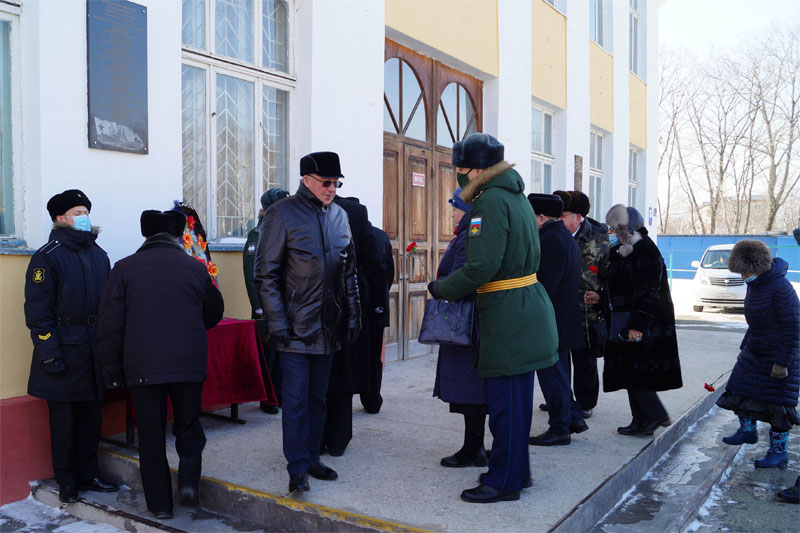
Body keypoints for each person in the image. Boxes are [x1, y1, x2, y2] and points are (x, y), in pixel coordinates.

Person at [427, 133, 558, 503]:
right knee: (514, 403)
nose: (459, 176)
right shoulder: (515, 198)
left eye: (460, 169)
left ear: (477, 170)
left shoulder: (488, 204)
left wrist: (442, 289)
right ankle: (518, 471)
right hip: (524, 306)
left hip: (507, 313)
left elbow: (482, 266)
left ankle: (503, 481)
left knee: (506, 406)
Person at [97, 210, 224, 519]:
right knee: (189, 427)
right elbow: (214, 312)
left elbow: (110, 326)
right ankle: (189, 484)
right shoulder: (195, 268)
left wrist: (112, 372)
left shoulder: (124, 269)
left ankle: (160, 505)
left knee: (151, 437)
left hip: (143, 368)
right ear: (177, 236)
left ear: (145, 236)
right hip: (188, 364)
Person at [254, 151, 361, 493]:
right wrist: (277, 321)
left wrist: (353, 315)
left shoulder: (339, 217)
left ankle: (313, 456)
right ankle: (297, 468)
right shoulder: (281, 214)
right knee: (296, 401)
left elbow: (350, 273)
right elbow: (265, 274)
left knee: (318, 398)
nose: (332, 189)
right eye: (326, 182)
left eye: (336, 183)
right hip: (295, 328)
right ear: (306, 180)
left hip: (328, 327)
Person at [24, 189, 118, 504]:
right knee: (64, 423)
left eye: (86, 211)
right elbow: (38, 311)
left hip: (93, 350)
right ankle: (67, 481)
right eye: (78, 212)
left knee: (91, 419)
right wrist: (49, 352)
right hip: (63, 349)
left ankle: (89, 474)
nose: (84, 217)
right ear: (60, 218)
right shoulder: (47, 256)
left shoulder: (98, 254)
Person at [715, 240, 799, 469]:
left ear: (758, 267)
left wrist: (782, 362)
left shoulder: (781, 288)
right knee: (738, 388)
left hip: (779, 355)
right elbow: (756, 323)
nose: (742, 276)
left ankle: (778, 453)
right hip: (756, 350)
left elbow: (793, 326)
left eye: (745, 271)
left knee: (778, 407)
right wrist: (744, 348)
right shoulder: (756, 285)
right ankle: (747, 430)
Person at [603, 204, 682, 436]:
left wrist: (638, 325)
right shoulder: (626, 249)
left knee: (637, 372)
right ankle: (641, 420)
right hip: (626, 319)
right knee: (631, 371)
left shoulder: (645, 250)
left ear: (626, 227)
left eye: (615, 227)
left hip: (643, 323)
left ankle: (655, 415)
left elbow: (649, 292)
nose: (612, 232)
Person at [323, 195, 383, 455]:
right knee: (336, 375)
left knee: (334, 375)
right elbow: (374, 265)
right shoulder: (291, 211)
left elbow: (372, 264)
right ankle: (334, 439)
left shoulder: (355, 212)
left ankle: (327, 439)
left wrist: (373, 308)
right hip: (326, 310)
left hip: (343, 310)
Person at [433, 188, 488, 468]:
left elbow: (462, 277)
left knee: (471, 387)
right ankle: (474, 446)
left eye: (455, 207)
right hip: (472, 321)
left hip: (465, 322)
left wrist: (439, 287)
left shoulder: (467, 236)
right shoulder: (466, 234)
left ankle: (473, 448)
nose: (452, 212)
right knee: (472, 387)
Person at [527, 194, 587, 446]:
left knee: (553, 376)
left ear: (540, 217)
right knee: (560, 374)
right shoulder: (564, 236)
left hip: (552, 321)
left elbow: (545, 286)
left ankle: (560, 427)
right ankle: (572, 418)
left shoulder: (550, 239)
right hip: (563, 318)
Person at [550, 190, 610, 418]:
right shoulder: (554, 234)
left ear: (577, 217)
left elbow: (609, 274)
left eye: (563, 215)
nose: (560, 219)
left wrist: (601, 296)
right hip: (558, 307)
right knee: (558, 358)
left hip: (586, 310)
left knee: (584, 360)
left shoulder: (599, 238)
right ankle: (562, 398)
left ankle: (585, 403)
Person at [243, 188, 289, 414]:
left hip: (285, 304)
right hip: (267, 307)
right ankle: (268, 399)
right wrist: (259, 307)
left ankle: (280, 395)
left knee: (283, 353)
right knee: (268, 354)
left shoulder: (285, 229)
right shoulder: (258, 233)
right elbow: (252, 276)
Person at [360, 225, 394, 414]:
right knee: (373, 356)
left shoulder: (342, 231)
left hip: (353, 308)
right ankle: (372, 400)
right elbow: (389, 273)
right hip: (376, 306)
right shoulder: (380, 235)